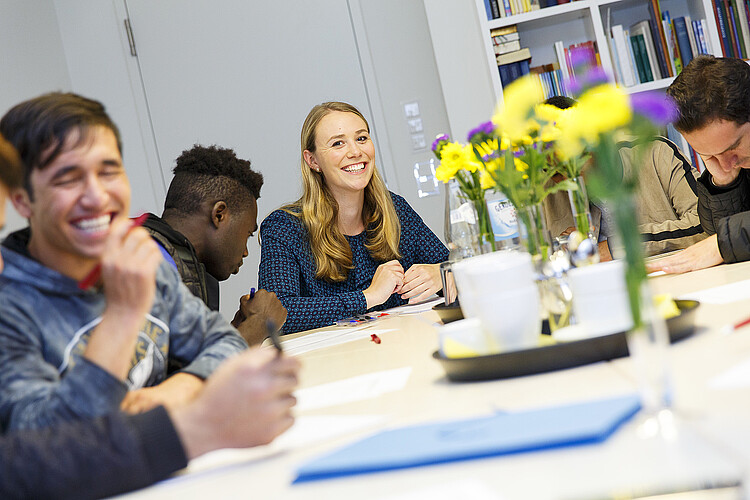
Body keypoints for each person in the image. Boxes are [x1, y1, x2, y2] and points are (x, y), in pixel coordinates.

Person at [0, 132, 299, 499]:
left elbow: (198, 350)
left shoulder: (158, 262)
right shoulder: (152, 260)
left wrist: (181, 388)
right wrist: (252, 328)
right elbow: (53, 440)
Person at [0, 92, 247, 431]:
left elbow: (224, 342)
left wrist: (167, 396)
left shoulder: (140, 260)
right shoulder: (11, 305)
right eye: (68, 179)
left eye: (109, 171)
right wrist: (121, 317)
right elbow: (39, 442)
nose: (98, 197)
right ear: (23, 201)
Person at [258, 101, 449, 333]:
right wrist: (367, 297)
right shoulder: (283, 228)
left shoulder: (395, 209)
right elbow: (275, 314)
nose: (356, 152)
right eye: (338, 143)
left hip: (398, 350)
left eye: (361, 138)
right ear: (313, 161)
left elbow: (458, 266)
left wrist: (441, 274)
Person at [143, 144, 286, 345]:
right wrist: (259, 324)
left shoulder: (178, 260)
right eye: (247, 234)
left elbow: (185, 360)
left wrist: (238, 328)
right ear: (219, 214)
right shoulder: (148, 268)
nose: (245, 252)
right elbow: (196, 376)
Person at [542, 97, 706, 258]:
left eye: (572, 165)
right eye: (555, 173)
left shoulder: (657, 154)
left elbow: (705, 225)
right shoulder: (542, 192)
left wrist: (616, 247)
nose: (568, 180)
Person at [649, 55, 750, 274]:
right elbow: (716, 232)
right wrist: (724, 183)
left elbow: (718, 243)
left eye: (733, 147)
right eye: (709, 155)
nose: (726, 163)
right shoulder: (727, 165)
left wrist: (722, 244)